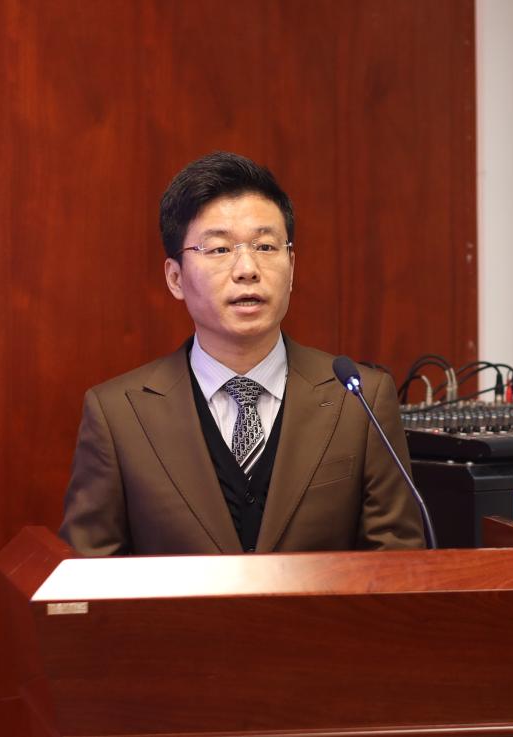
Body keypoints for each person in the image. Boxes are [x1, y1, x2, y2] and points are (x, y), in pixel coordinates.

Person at [59, 152, 424, 555]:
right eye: (219, 249)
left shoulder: (360, 399)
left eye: (266, 246)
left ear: (292, 267)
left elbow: (396, 564)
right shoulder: (117, 416)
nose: (247, 269)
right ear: (175, 278)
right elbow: (89, 576)